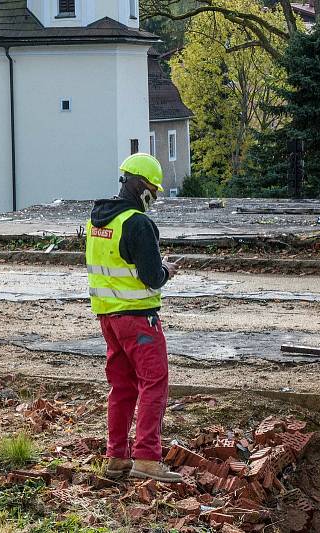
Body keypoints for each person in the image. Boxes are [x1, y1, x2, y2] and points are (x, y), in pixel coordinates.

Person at [85, 153, 182, 483]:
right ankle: (147, 459)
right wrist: (168, 269)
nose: (153, 196)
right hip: (139, 319)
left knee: (122, 387)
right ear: (141, 186)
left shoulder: (97, 221)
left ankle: (116, 458)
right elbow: (152, 276)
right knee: (154, 384)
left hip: (108, 319)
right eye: (153, 188)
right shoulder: (137, 223)